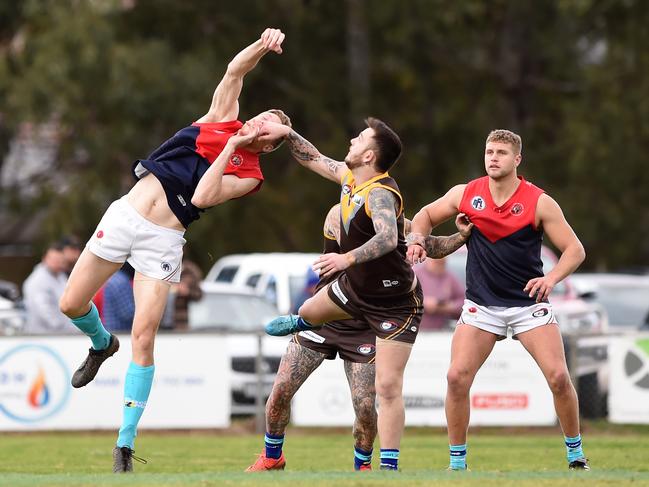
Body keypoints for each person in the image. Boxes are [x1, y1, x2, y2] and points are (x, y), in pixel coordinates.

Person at [57, 28, 291, 473]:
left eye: (268, 127)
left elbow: (202, 197)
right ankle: (100, 342)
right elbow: (234, 70)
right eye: (259, 116)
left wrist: (238, 147)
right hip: (125, 216)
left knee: (145, 337)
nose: (257, 121)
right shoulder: (220, 116)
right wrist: (262, 45)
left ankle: (124, 445)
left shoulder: (251, 173)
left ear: (270, 144)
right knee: (70, 303)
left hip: (162, 241)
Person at [263, 117, 471, 470]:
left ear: (369, 155)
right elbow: (313, 158)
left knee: (386, 389)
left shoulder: (380, 195)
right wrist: (287, 133)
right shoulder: (350, 180)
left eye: (359, 138)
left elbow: (391, 239)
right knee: (311, 312)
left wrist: (460, 238)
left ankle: (386, 467)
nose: (351, 140)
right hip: (353, 293)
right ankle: (302, 321)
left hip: (394, 305)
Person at [406, 129, 589, 471]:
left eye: (502, 152)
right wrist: (417, 239)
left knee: (559, 378)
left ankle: (575, 454)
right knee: (456, 378)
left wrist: (550, 278)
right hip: (481, 307)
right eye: (489, 151)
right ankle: (457, 465)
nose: (493, 157)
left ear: (517, 159)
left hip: (528, 306)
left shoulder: (538, 201)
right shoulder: (467, 194)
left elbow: (575, 250)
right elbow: (426, 215)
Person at [246, 204, 378, 472]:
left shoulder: (391, 220)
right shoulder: (338, 214)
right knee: (281, 389)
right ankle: (272, 457)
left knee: (364, 406)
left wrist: (461, 236)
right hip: (322, 315)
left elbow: (427, 240)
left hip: (363, 326)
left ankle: (362, 468)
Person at [23, 242, 73, 334]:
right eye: (54, 259)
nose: (57, 263)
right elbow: (44, 311)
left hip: (61, 333)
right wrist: (65, 328)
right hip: (42, 335)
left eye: (60, 260)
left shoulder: (60, 276)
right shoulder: (37, 280)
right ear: (44, 258)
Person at [413, 257, 464, 330]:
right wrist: (422, 303)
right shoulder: (414, 275)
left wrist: (448, 307)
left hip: (442, 330)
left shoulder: (450, 278)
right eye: (436, 262)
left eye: (442, 263)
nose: (439, 266)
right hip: (416, 329)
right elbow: (402, 299)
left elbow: (464, 302)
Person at [102, 263, 135, 332]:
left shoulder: (112, 278)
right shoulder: (121, 281)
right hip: (122, 332)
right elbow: (127, 313)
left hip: (110, 328)